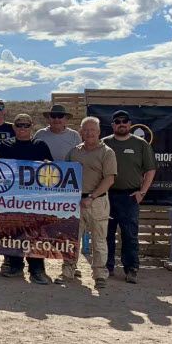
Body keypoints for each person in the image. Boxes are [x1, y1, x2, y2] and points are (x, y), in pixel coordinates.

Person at [0, 113, 54, 284]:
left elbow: (51, 169)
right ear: (14, 127)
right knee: (13, 232)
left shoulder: (40, 145)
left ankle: (37, 269)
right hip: (11, 198)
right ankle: (15, 266)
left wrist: (49, 165)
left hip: (34, 199)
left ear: (32, 126)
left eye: (26, 125)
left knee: (35, 234)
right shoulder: (4, 146)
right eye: (19, 125)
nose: (22, 128)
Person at [58, 116, 116, 289]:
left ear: (99, 132)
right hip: (75, 201)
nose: (89, 133)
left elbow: (109, 179)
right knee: (71, 239)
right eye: (86, 130)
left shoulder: (107, 152)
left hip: (97, 201)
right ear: (81, 132)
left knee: (99, 240)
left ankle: (100, 275)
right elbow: (63, 173)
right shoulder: (74, 151)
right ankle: (68, 271)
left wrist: (91, 197)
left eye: (93, 130)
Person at [103, 109, 157, 284]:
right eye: (117, 121)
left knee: (130, 235)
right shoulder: (104, 144)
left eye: (124, 121)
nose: (121, 124)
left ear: (130, 124)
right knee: (106, 234)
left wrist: (142, 192)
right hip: (107, 196)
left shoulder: (141, 144)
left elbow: (150, 170)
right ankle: (107, 266)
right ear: (112, 125)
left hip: (130, 197)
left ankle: (131, 269)